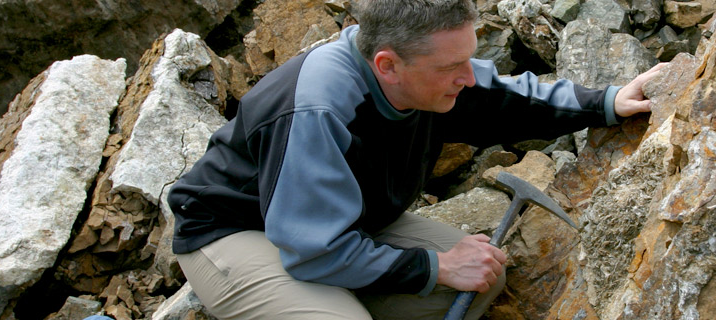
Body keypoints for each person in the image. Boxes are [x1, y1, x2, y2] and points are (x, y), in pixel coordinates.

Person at [166, 0, 665, 319]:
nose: (468, 77)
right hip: (234, 231)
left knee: (481, 280)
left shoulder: (428, 70)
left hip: (342, 224)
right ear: (388, 65)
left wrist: (606, 101)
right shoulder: (319, 106)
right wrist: (434, 265)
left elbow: (506, 97)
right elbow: (311, 249)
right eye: (453, 67)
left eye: (470, 58)